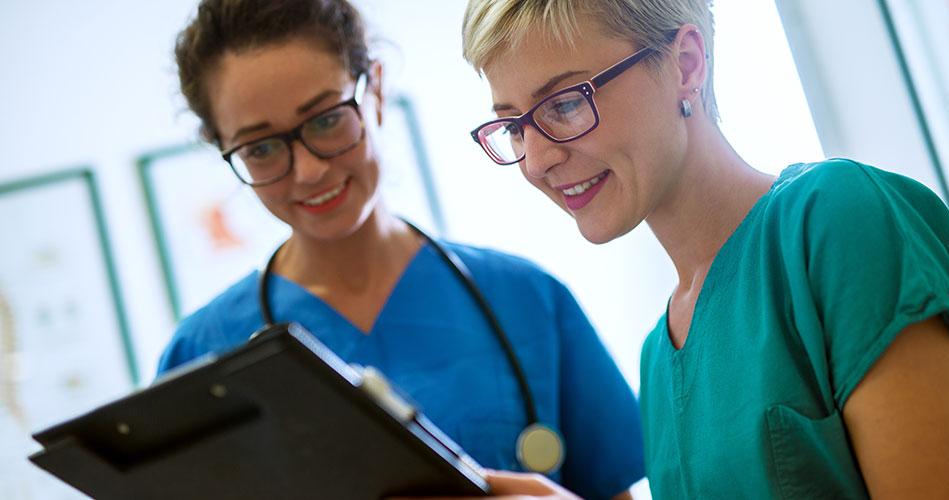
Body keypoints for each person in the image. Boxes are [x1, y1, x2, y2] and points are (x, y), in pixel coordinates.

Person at [451, 0, 949, 498]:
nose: (536, 161)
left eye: (566, 103)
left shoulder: (835, 220)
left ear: (686, 64)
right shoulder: (659, 358)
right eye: (514, 127)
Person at [155, 1, 646, 498]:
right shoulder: (202, 355)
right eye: (260, 148)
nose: (308, 171)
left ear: (378, 92)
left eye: (326, 119)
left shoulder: (526, 299)